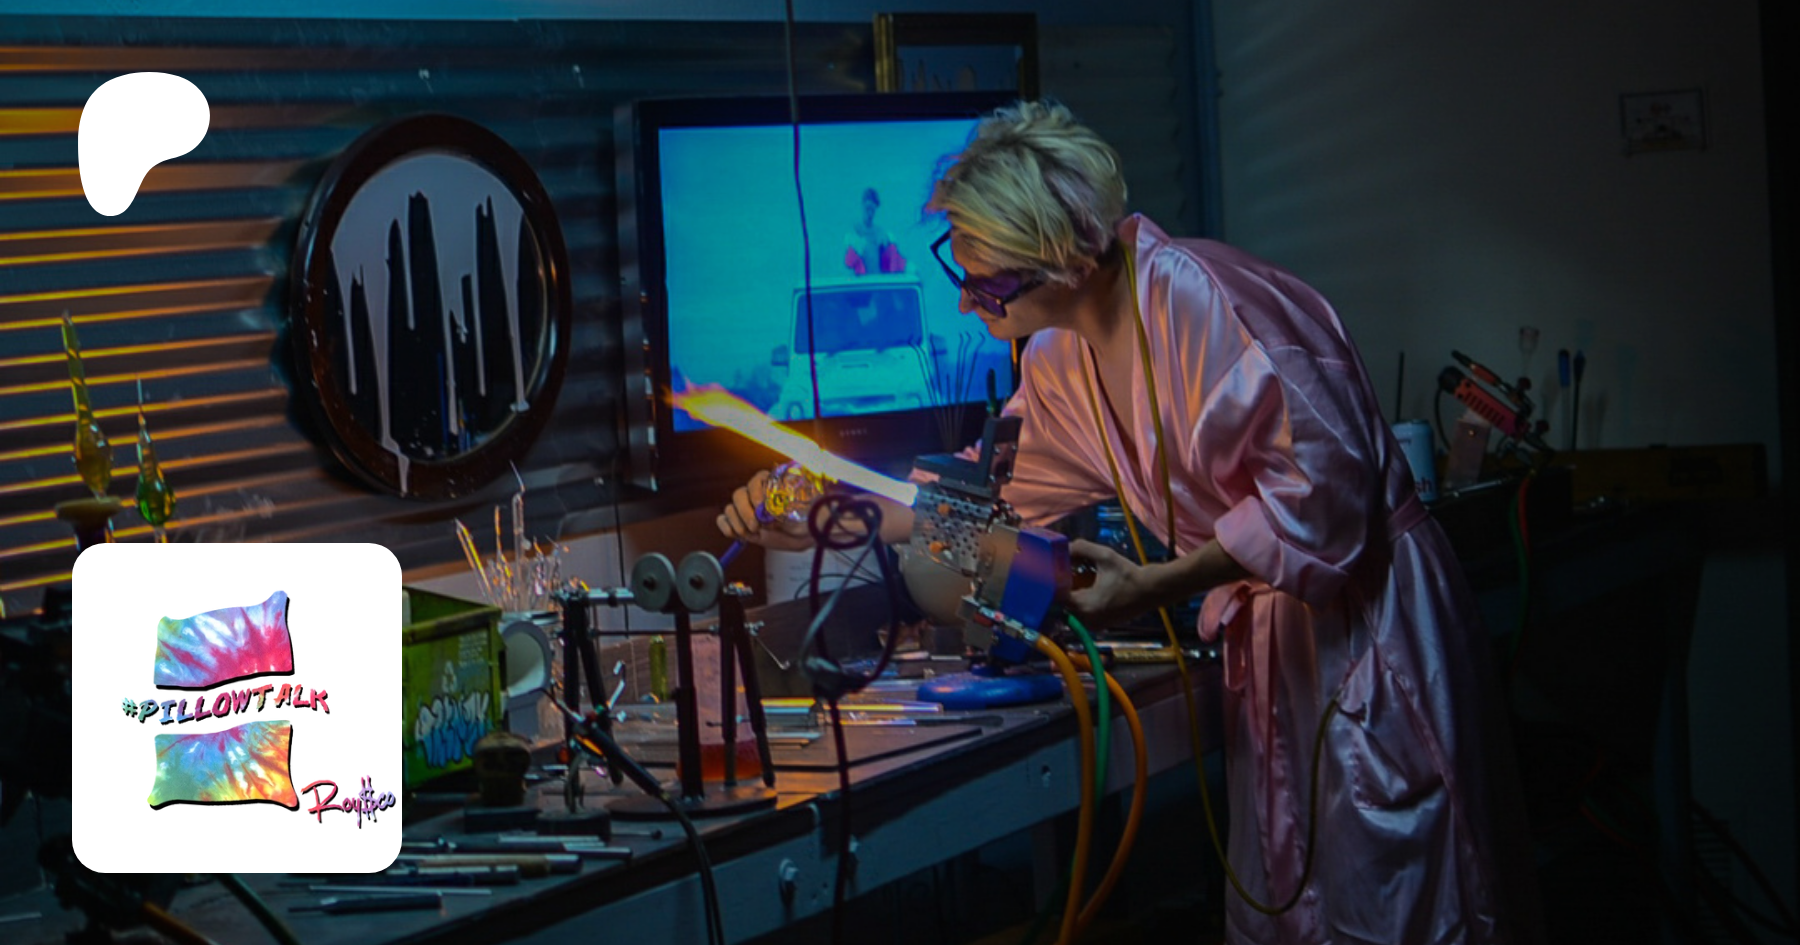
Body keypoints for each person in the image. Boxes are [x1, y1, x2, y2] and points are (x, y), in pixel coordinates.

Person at [722, 101, 1542, 945]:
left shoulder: (1211, 305)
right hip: (1274, 643)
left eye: (986, 281)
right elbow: (990, 506)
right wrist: (835, 518)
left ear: (1067, 257)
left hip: (1366, 622)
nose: (966, 304)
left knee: (1402, 896)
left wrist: (1159, 582)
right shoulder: (1058, 362)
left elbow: (1326, 500)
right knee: (1298, 905)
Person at [842, 187, 906, 275]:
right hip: (861, 280)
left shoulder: (881, 233)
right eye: (867, 209)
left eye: (873, 210)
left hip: (878, 279)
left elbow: (893, 258)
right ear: (862, 206)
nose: (870, 213)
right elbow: (848, 264)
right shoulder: (854, 233)